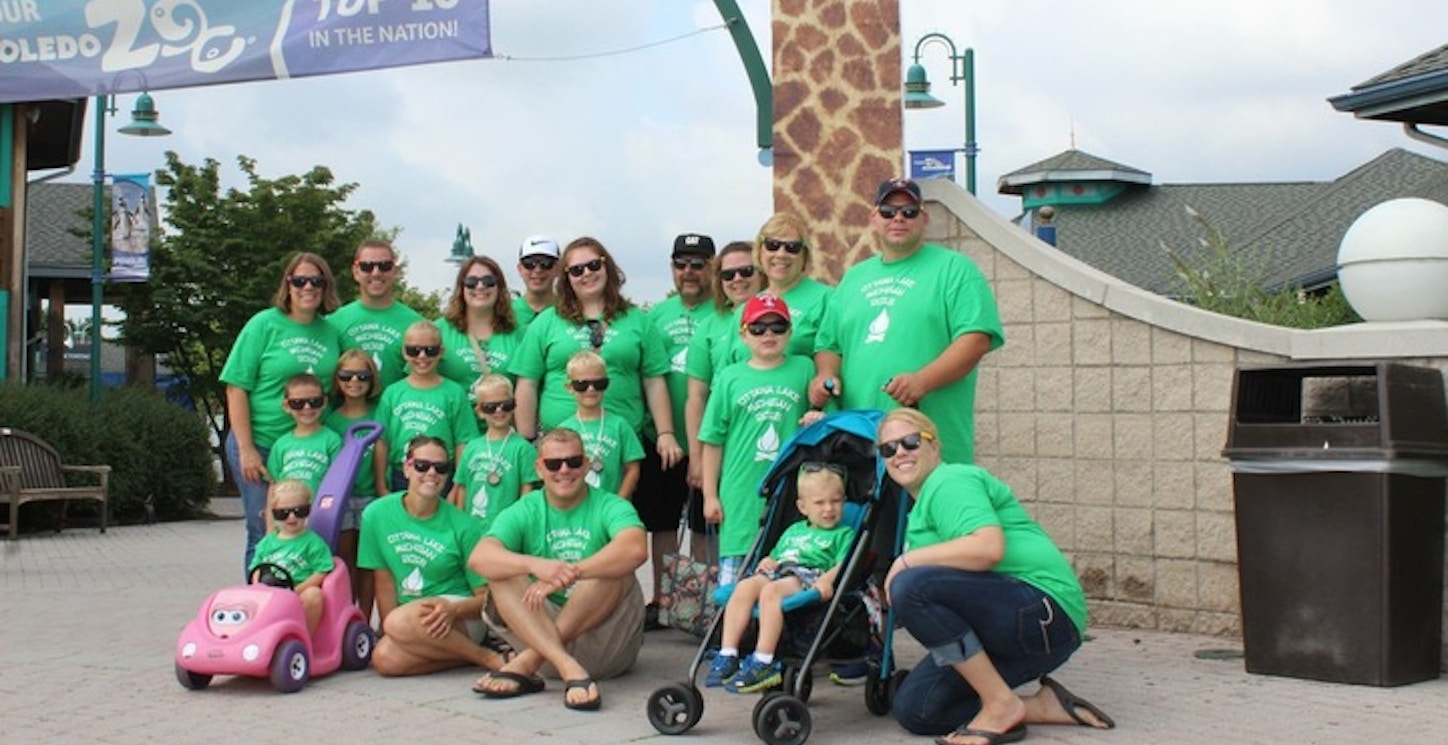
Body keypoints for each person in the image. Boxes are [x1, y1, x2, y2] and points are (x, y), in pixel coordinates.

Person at [878, 408, 1114, 745]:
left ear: (935, 445)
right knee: (918, 710)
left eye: (911, 442)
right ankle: (1039, 706)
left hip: (1043, 611)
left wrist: (905, 561)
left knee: (912, 586)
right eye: (888, 448)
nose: (899, 452)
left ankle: (1000, 704)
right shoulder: (921, 511)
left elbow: (988, 548)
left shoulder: (949, 481)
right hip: (1013, 630)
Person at [812, 178, 1004, 465]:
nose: (898, 218)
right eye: (888, 211)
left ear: (923, 218)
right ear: (874, 218)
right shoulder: (854, 278)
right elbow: (829, 344)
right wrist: (825, 375)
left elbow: (976, 339)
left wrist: (922, 381)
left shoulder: (955, 269)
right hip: (861, 443)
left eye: (909, 211)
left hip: (929, 445)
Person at [468, 428, 648, 711]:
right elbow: (480, 558)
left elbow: (636, 549)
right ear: (539, 468)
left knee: (613, 569)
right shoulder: (526, 508)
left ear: (586, 464)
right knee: (501, 572)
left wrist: (570, 573)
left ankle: (526, 662)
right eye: (554, 464)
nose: (564, 470)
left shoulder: (610, 505)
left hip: (604, 645)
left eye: (574, 462)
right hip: (545, 643)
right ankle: (568, 667)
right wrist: (534, 564)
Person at [512, 237, 681, 469]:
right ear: (566, 277)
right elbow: (527, 383)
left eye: (594, 265)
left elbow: (654, 380)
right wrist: (527, 440)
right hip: (559, 451)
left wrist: (665, 433)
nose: (586, 274)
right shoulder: (546, 322)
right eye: (576, 270)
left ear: (607, 266)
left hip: (622, 447)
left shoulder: (638, 320)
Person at [220, 252, 342, 574]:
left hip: (306, 447)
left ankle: (301, 607)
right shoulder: (264, 324)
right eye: (299, 280)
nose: (308, 287)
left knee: (306, 530)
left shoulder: (330, 331)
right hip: (260, 443)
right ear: (287, 283)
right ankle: (261, 606)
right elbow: (235, 387)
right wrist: (246, 449)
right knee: (265, 530)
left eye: (316, 281)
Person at [357, 435, 506, 677]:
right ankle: (467, 656)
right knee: (384, 659)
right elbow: (383, 578)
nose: (431, 473)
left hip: (457, 613)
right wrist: (389, 629)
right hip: (408, 619)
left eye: (441, 467)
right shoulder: (376, 514)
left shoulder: (465, 525)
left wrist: (453, 610)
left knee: (396, 623)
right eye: (422, 466)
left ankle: (486, 657)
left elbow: (488, 597)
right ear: (407, 468)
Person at [698, 294, 821, 586]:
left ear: (790, 332)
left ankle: (775, 629)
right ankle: (734, 629)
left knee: (785, 564)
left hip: (789, 487)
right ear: (743, 334)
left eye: (778, 327)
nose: (768, 334)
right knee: (736, 571)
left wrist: (818, 415)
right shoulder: (730, 377)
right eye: (758, 328)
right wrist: (710, 495)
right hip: (739, 492)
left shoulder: (804, 368)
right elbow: (713, 439)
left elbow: (821, 413)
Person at [708, 463, 855, 693]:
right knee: (745, 586)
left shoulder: (843, 533)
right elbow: (777, 556)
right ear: (803, 506)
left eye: (836, 501)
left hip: (808, 576)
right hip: (780, 572)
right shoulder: (794, 530)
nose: (829, 509)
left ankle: (764, 660)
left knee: (771, 592)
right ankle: (728, 653)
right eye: (820, 503)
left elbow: (843, 564)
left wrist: (827, 580)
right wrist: (769, 561)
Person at [639, 232, 717, 629]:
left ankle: (702, 602)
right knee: (663, 524)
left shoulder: (724, 312)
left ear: (712, 266)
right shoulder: (656, 316)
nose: (689, 272)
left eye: (698, 263)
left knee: (706, 524)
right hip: (665, 438)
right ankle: (663, 601)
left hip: (710, 440)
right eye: (681, 263)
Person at [684, 240, 765, 487]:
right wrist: (697, 457)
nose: (737, 279)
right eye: (728, 274)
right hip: (728, 438)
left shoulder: (782, 315)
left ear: (761, 272)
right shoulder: (708, 326)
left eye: (746, 271)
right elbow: (697, 397)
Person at [374, 321, 480, 492]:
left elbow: (463, 442)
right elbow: (381, 441)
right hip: (402, 475)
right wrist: (380, 484)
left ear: (441, 352)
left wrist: (458, 486)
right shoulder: (393, 393)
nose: (422, 356)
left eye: (430, 350)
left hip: (441, 475)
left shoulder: (453, 392)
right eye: (413, 350)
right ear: (404, 352)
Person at [324, 349, 384, 612]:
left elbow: (382, 450)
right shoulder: (331, 419)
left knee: (367, 563)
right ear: (337, 380)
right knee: (344, 560)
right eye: (347, 375)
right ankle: (345, 616)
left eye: (362, 375)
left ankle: (364, 617)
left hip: (369, 495)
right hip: (341, 499)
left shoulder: (379, 414)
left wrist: (382, 489)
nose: (354, 381)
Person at [329, 239, 425, 389]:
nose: (376, 273)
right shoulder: (334, 323)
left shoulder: (416, 325)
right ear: (355, 271)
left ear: (395, 271)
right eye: (367, 267)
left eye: (384, 266)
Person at [453, 374, 539, 529]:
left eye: (506, 405)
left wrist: (519, 525)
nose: (499, 411)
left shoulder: (523, 448)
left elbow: (527, 491)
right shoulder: (472, 447)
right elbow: (462, 488)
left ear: (514, 405)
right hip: (472, 527)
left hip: (506, 528)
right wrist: (461, 524)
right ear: (479, 411)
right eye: (490, 407)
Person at [249, 479, 334, 634]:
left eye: (299, 511)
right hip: (269, 593)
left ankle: (305, 637)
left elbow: (321, 571)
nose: (292, 518)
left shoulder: (313, 543)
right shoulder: (266, 543)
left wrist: (296, 590)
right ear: (273, 514)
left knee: (314, 595)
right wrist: (258, 588)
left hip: (299, 593)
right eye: (283, 513)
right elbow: (256, 569)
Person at [555, 351, 644, 498]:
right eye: (582, 384)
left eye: (599, 384)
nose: (591, 389)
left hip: (611, 506)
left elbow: (633, 468)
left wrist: (619, 502)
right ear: (569, 387)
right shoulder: (564, 429)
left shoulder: (619, 425)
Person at [436, 255, 524, 391]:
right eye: (472, 282)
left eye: (488, 281)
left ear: (499, 287)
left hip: (502, 412)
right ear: (461, 287)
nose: (480, 286)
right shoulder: (438, 331)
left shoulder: (520, 334)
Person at [754, 213, 833, 357]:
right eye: (772, 245)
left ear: (805, 256)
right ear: (760, 251)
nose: (781, 254)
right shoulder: (748, 307)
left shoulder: (827, 299)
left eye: (792, 247)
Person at [266, 373, 343, 498]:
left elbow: (338, 482)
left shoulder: (332, 440)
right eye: (297, 403)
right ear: (286, 406)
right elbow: (273, 485)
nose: (307, 408)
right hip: (288, 513)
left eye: (314, 402)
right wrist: (271, 516)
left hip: (320, 510)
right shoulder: (280, 445)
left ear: (324, 402)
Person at [512, 234, 562, 328]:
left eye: (546, 263)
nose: (538, 270)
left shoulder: (570, 312)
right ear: (520, 269)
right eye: (529, 264)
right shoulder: (505, 314)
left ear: (558, 268)